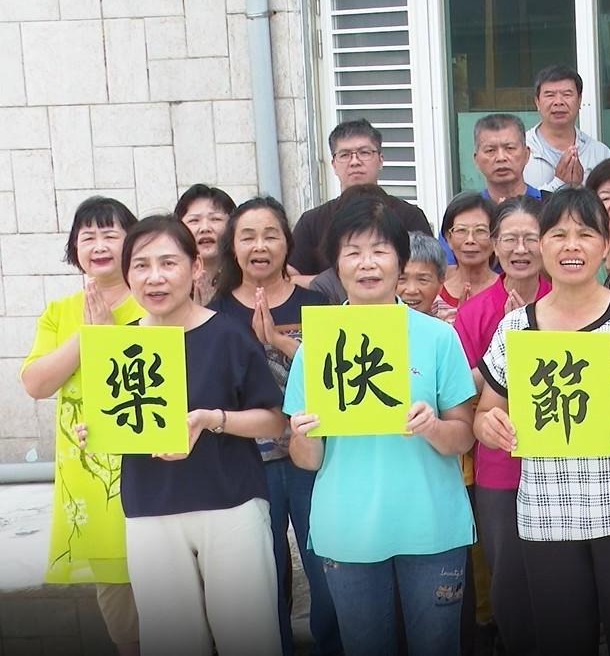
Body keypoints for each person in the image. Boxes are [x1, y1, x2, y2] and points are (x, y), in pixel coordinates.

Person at [473, 189, 610, 652]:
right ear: (542, 246)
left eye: (586, 234)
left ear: (609, 246)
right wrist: (489, 425)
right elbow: (487, 411)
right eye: (559, 235)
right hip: (547, 517)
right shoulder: (516, 329)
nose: (572, 246)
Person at [284, 196, 478, 656]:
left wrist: (433, 427)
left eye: (379, 250)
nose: (367, 264)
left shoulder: (437, 336)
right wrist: (303, 434)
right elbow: (306, 459)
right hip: (348, 529)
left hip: (431, 525)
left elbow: (463, 435)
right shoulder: (317, 345)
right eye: (353, 252)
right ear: (336, 263)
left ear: (399, 258)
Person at [85, 216, 284, 654]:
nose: (154, 277)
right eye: (140, 265)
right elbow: (115, 423)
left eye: (168, 263)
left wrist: (213, 419)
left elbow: (274, 420)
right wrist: (93, 430)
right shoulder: (117, 345)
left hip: (229, 504)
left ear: (195, 268)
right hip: (150, 507)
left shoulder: (229, 335)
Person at [208, 196, 341, 656]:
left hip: (309, 460)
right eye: (247, 236)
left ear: (287, 244)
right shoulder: (215, 312)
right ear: (232, 247)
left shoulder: (316, 303)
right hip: (245, 464)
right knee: (264, 578)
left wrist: (279, 342)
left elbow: (332, 377)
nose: (259, 245)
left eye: (271, 235)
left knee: (325, 569)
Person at [21, 197, 145, 655]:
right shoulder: (61, 311)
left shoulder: (156, 299)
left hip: (155, 469)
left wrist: (113, 335)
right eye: (87, 236)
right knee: (121, 617)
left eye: (111, 233)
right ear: (74, 248)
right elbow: (36, 382)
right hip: (91, 480)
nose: (99, 244)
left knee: (174, 608)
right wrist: (89, 336)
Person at [451, 196, 547, 656]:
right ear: (494, 245)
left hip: (566, 463)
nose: (521, 248)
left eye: (532, 237)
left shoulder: (568, 300)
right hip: (500, 465)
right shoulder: (474, 313)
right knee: (508, 579)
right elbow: (460, 394)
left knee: (559, 579)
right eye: (510, 238)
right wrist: (509, 342)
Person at [289, 120, 433, 278]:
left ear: (381, 160)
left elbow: (429, 274)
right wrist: (335, 285)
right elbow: (292, 279)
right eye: (344, 155)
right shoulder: (311, 221)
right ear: (334, 165)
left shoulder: (409, 216)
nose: (355, 162)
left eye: (364, 153)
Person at [523, 65, 610, 189]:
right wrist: (559, 183)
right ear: (537, 102)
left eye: (567, 94)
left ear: (580, 100)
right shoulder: (520, 150)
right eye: (550, 95)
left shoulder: (600, 153)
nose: (558, 102)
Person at [437, 191, 499, 315]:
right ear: (449, 238)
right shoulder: (435, 292)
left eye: (480, 231)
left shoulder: (507, 291)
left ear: (495, 239)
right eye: (461, 230)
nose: (470, 240)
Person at [174, 183, 234, 303]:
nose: (205, 228)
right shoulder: (170, 284)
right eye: (194, 220)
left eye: (215, 219)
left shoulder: (246, 280)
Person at [470, 113, 539, 202]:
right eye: (490, 150)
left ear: (526, 154)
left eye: (510, 148)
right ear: (476, 160)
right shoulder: (469, 213)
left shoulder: (550, 207)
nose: (501, 158)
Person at [396, 232, 451, 317]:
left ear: (441, 282)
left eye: (423, 280)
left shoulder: (448, 328)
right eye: (401, 279)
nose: (412, 290)